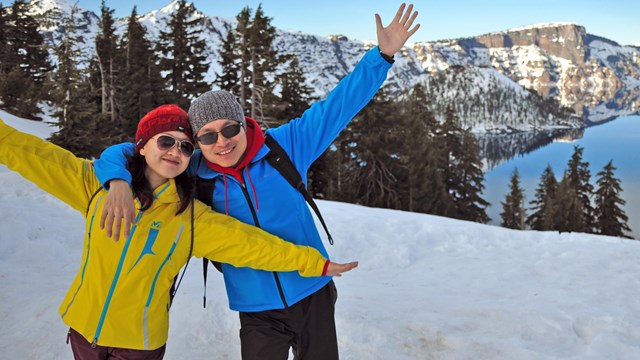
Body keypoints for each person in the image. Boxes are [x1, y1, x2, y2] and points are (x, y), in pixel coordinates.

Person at [95, 3, 420, 359]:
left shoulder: (286, 146)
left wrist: (383, 55)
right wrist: (118, 183)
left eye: (230, 129)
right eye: (207, 136)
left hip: (313, 291)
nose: (222, 142)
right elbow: (126, 152)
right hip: (257, 308)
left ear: (242, 123)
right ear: (197, 142)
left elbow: (339, 104)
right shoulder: (194, 169)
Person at [0, 105, 357, 360]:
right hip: (83, 331)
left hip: (137, 342)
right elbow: (29, 153)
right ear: (142, 146)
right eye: (165, 142)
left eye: (185, 147)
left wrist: (316, 263)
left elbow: (253, 246)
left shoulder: (190, 218)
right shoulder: (94, 186)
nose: (176, 151)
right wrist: (117, 180)